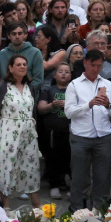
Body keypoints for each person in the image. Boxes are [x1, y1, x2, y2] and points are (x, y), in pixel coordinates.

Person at [65, 49, 111, 210]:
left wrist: (108, 105)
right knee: (79, 177)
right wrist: (88, 104)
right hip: (80, 137)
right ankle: (76, 212)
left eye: (99, 65)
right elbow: (69, 112)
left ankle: (99, 211)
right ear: (85, 62)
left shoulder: (107, 84)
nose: (96, 69)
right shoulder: (74, 85)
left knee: (102, 177)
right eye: (93, 65)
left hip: (103, 136)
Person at [0, 55, 40, 208]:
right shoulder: (2, 87)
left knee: (30, 166)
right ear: (10, 67)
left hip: (28, 132)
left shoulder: (30, 87)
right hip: (7, 131)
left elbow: (33, 111)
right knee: (5, 166)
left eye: (24, 64)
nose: (22, 67)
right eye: (18, 64)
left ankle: (36, 203)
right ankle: (5, 204)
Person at [37, 62, 72, 199]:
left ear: (71, 75)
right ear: (55, 75)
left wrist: (68, 105)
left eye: (67, 71)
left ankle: (72, 186)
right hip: (53, 132)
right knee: (53, 159)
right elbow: (41, 108)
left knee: (71, 160)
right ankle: (54, 185)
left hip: (71, 131)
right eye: (60, 71)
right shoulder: (48, 90)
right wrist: (52, 105)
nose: (63, 74)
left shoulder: (74, 90)